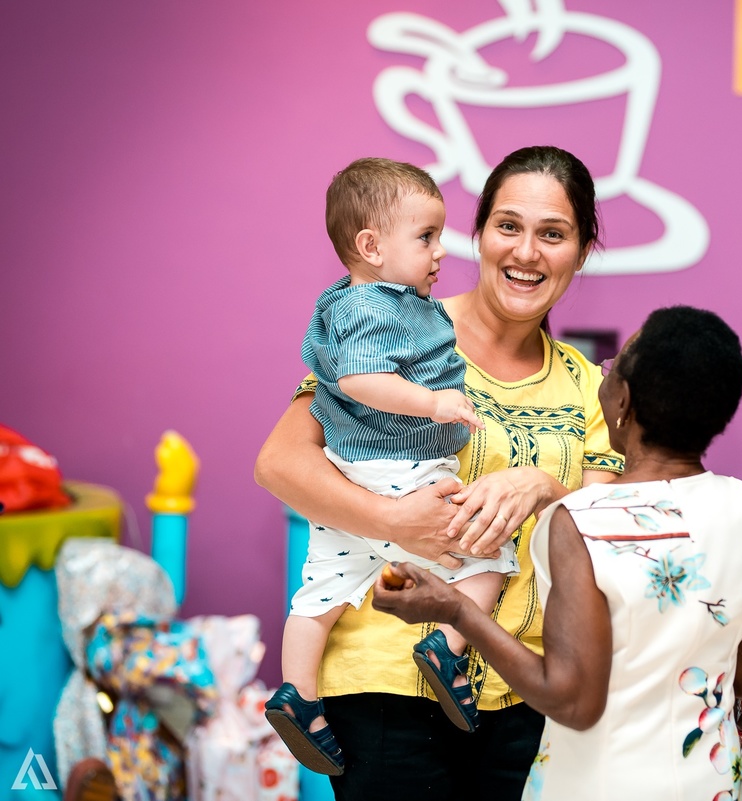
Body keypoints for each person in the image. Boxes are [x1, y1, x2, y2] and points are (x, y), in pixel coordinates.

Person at [254, 145, 623, 800]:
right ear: (478, 234)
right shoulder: (397, 324)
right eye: (508, 225)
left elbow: (601, 532)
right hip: (386, 685)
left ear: (583, 249)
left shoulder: (587, 385)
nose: (526, 252)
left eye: (553, 234)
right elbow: (280, 463)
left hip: (521, 691)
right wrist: (395, 521)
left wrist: (541, 484)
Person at [374, 305, 742, 800]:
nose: (604, 373)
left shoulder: (580, 522)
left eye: (614, 365)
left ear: (622, 400)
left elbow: (571, 700)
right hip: (705, 783)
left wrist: (455, 610)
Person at [265, 157, 514, 775]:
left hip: (350, 476)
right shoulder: (370, 307)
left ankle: (299, 696)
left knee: (319, 593)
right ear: (371, 246)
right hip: (398, 468)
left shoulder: (364, 303)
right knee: (489, 557)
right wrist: (434, 402)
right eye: (426, 236)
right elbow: (359, 379)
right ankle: (448, 648)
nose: (440, 251)